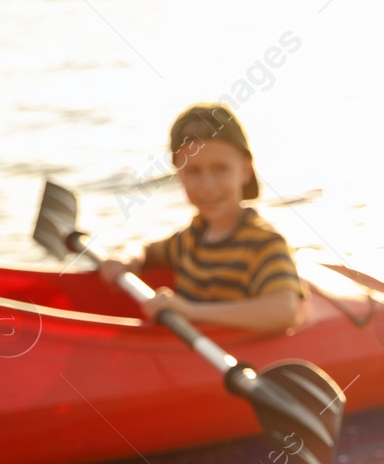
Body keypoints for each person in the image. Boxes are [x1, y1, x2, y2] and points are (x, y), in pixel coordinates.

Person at [99, 104, 303, 334]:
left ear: (245, 170)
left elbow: (285, 311)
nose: (207, 186)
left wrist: (191, 311)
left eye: (220, 168)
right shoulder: (192, 237)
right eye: (193, 171)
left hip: (236, 357)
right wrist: (127, 255)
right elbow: (147, 250)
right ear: (179, 176)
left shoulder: (264, 243)